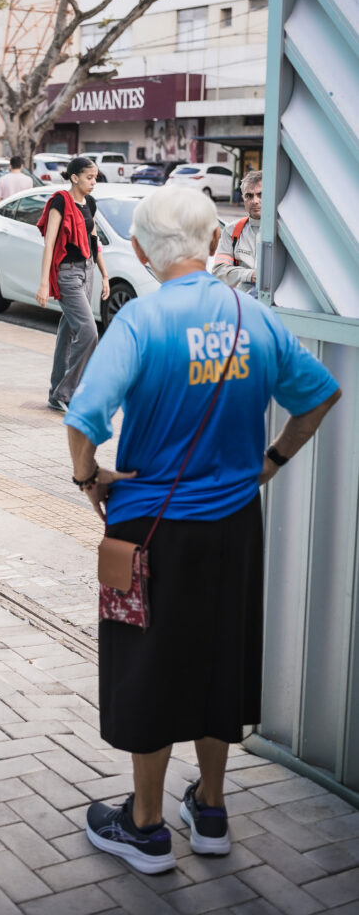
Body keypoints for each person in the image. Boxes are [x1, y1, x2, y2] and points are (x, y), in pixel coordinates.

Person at [64, 186, 340, 875]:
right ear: (214, 244)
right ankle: (211, 810)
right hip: (233, 523)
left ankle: (147, 825)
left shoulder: (136, 321)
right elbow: (318, 397)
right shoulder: (257, 317)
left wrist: (86, 477)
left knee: (149, 665)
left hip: (151, 529)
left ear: (137, 251)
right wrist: (269, 463)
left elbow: (82, 419)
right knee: (223, 656)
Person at [35, 156, 110, 413]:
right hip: (66, 273)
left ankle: (56, 392)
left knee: (68, 331)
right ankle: (66, 392)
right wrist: (44, 282)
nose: (93, 182)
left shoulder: (90, 203)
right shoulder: (60, 201)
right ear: (74, 177)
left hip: (87, 270)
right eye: (89, 177)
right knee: (89, 332)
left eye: (95, 177)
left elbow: (94, 238)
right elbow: (50, 242)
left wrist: (105, 273)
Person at [213, 169, 262, 295]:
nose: (255, 201)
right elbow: (219, 272)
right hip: (240, 303)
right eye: (249, 196)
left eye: (260, 194)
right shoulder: (232, 230)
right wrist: (250, 275)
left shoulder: (285, 233)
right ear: (243, 199)